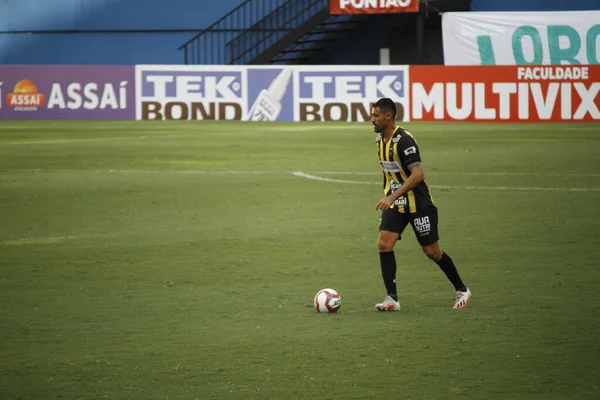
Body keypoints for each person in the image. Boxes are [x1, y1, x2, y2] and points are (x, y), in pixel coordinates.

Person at [370, 98, 471, 311]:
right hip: (397, 205)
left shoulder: (404, 140)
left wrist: (391, 196)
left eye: (376, 116)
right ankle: (392, 299)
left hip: (419, 205)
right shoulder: (379, 140)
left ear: (388, 116)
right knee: (383, 244)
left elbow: (418, 175)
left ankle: (462, 289)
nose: (372, 120)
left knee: (432, 252)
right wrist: (392, 197)